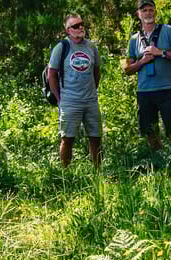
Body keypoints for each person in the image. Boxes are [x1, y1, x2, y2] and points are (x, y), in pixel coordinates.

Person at [123, 0, 171, 155]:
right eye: (144, 10)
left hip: (167, 90)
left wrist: (162, 53)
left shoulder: (168, 31)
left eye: (151, 9)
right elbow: (127, 69)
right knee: (150, 131)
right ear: (138, 14)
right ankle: (159, 163)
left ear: (155, 12)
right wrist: (143, 61)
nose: (148, 13)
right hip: (145, 92)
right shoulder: (134, 39)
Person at [47, 14, 102, 168]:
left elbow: (97, 70)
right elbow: (51, 74)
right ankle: (66, 175)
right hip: (70, 101)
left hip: (91, 100)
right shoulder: (61, 47)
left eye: (81, 24)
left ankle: (98, 173)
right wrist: (59, 98)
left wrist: (93, 90)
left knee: (96, 138)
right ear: (68, 30)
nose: (80, 28)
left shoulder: (91, 47)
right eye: (76, 26)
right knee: (68, 139)